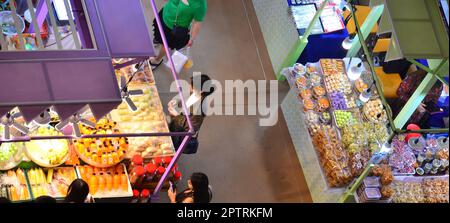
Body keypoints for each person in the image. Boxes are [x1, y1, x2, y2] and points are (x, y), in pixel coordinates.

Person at [150, 0, 207, 70]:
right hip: (164, 15)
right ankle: (158, 39)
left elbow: (197, 22)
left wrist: (192, 38)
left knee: (166, 46)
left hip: (174, 29)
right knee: (158, 31)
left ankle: (157, 59)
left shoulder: (200, 5)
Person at [168, 74, 215, 150]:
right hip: (174, 127)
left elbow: (190, 128)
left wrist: (176, 115)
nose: (189, 86)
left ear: (201, 90)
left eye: (192, 85)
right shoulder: (195, 93)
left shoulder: (200, 108)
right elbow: (184, 94)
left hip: (178, 136)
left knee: (170, 149)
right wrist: (175, 100)